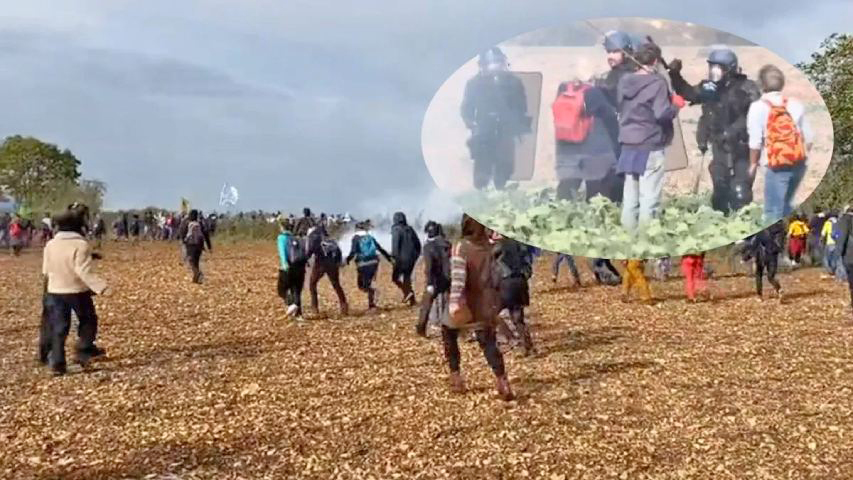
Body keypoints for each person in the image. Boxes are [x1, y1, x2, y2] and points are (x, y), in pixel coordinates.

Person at [668, 46, 761, 214]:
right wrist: (675, 75)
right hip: (719, 146)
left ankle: (744, 227)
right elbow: (689, 93)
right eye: (712, 66)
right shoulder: (709, 88)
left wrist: (733, 130)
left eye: (719, 67)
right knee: (720, 192)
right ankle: (723, 225)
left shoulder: (747, 87)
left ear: (730, 68)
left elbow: (755, 115)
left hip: (742, 148)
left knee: (740, 191)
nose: (715, 71)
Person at [444, 214, 514, 401]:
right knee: (488, 342)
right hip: (487, 300)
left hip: (467, 301)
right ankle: (502, 380)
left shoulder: (461, 247)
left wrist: (454, 303)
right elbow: (497, 274)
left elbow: (459, 278)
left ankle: (456, 377)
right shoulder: (488, 247)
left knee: (449, 333)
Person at [615, 42, 684, 231]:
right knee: (649, 199)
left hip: (628, 144)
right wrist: (676, 105)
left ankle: (627, 241)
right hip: (649, 145)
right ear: (655, 61)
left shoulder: (625, 81)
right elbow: (661, 114)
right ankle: (646, 243)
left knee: (630, 199)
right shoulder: (657, 83)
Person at [40, 208, 108, 375]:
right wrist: (102, 286)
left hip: (55, 289)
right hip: (77, 290)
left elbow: (46, 270)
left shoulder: (50, 244)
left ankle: (57, 362)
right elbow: (82, 271)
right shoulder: (81, 245)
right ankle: (83, 351)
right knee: (88, 320)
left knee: (59, 326)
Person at [747, 65, 813, 222]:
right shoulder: (795, 104)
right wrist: (797, 155)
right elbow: (809, 138)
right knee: (786, 206)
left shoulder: (757, 107)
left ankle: (775, 244)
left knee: (772, 211)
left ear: (761, 85)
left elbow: (755, 142)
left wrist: (753, 165)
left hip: (775, 165)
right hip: (798, 163)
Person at [460, 46, 531, 190]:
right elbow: (466, 108)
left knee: (505, 163)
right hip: (483, 129)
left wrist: (518, 126)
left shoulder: (514, 82)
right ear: (483, 65)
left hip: (506, 128)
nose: (494, 66)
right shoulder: (474, 83)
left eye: (497, 62)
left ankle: (501, 188)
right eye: (491, 63)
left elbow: (521, 106)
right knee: (482, 164)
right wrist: (472, 124)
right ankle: (482, 191)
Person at [553, 79, 622, 202]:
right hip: (592, 149)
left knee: (567, 185)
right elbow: (610, 118)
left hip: (566, 146)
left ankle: (560, 212)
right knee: (595, 187)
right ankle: (592, 214)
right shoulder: (594, 93)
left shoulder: (563, 91)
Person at [494, 235, 535, 356]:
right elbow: (528, 266)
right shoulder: (520, 244)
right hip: (521, 282)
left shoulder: (499, 246)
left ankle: (511, 340)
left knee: (490, 313)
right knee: (518, 317)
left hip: (506, 283)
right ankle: (528, 346)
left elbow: (489, 262)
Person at [346, 220, 393, 313]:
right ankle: (372, 300)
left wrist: (347, 260)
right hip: (374, 262)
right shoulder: (370, 237)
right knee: (367, 283)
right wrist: (389, 258)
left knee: (361, 285)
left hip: (362, 264)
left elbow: (353, 251)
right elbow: (380, 248)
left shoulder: (355, 238)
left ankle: (372, 303)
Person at [416, 221, 450, 336]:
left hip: (434, 279)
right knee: (446, 306)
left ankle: (421, 329)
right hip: (448, 278)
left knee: (426, 305)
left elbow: (429, 266)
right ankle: (447, 329)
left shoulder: (428, 247)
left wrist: (430, 283)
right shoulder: (447, 244)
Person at [306, 223, 349, 316]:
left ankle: (315, 308)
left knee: (312, 284)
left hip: (320, 264)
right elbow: (339, 252)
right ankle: (344, 306)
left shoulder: (315, 237)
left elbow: (310, 250)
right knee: (336, 284)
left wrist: (306, 259)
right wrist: (338, 263)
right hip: (332, 264)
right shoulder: (332, 240)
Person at [742, 221, 784, 301]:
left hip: (761, 256)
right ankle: (779, 289)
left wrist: (745, 258)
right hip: (773, 255)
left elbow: (753, 246)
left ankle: (759, 296)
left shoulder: (759, 233)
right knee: (770, 277)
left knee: (758, 275)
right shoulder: (777, 230)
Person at [277, 218, 307, 320]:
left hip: (288, 268)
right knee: (296, 291)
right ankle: (299, 315)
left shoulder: (281, 238)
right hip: (300, 267)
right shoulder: (296, 238)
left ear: (282, 227)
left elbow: (282, 252)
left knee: (281, 290)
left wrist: (285, 265)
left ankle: (291, 305)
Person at [391, 212, 422, 306]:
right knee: (407, 278)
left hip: (400, 259)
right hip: (411, 259)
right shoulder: (410, 229)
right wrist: (415, 256)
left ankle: (407, 293)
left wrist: (394, 259)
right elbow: (418, 244)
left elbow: (395, 246)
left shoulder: (396, 230)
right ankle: (411, 299)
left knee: (395, 278)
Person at [179, 209, 213, 284]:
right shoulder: (200, 223)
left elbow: (181, 232)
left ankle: (197, 273)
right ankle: (196, 279)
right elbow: (206, 234)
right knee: (196, 261)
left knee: (191, 260)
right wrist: (209, 246)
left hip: (190, 244)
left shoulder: (186, 222)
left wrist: (183, 241)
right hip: (199, 244)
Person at [836, 206, 853, 320]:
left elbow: (842, 236)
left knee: (851, 279)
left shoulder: (845, 220)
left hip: (850, 254)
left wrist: (839, 252)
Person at [821, 213, 839, 278]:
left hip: (829, 242)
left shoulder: (828, 223)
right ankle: (835, 271)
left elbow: (823, 233)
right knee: (835, 258)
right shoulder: (839, 222)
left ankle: (830, 271)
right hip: (838, 243)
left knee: (827, 258)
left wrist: (822, 240)